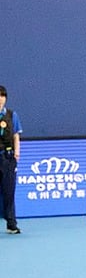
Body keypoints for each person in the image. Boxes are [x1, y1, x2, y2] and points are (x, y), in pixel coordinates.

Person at [0, 85, 23, 235]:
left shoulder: (11, 115)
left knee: (9, 191)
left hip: (7, 158)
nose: (0, 99)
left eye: (2, 96)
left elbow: (16, 135)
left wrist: (17, 154)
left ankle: (11, 224)